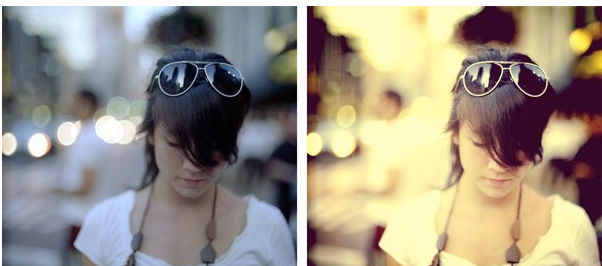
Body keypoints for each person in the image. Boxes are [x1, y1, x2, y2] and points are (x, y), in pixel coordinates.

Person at [379, 47, 600, 266]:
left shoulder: (569, 227)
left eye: (518, 145)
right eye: (481, 144)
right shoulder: (409, 225)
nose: (497, 165)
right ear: (455, 134)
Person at [75, 48, 296, 266]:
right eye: (175, 144)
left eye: (212, 145)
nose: (192, 165)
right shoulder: (104, 223)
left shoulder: (267, 228)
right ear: (150, 134)